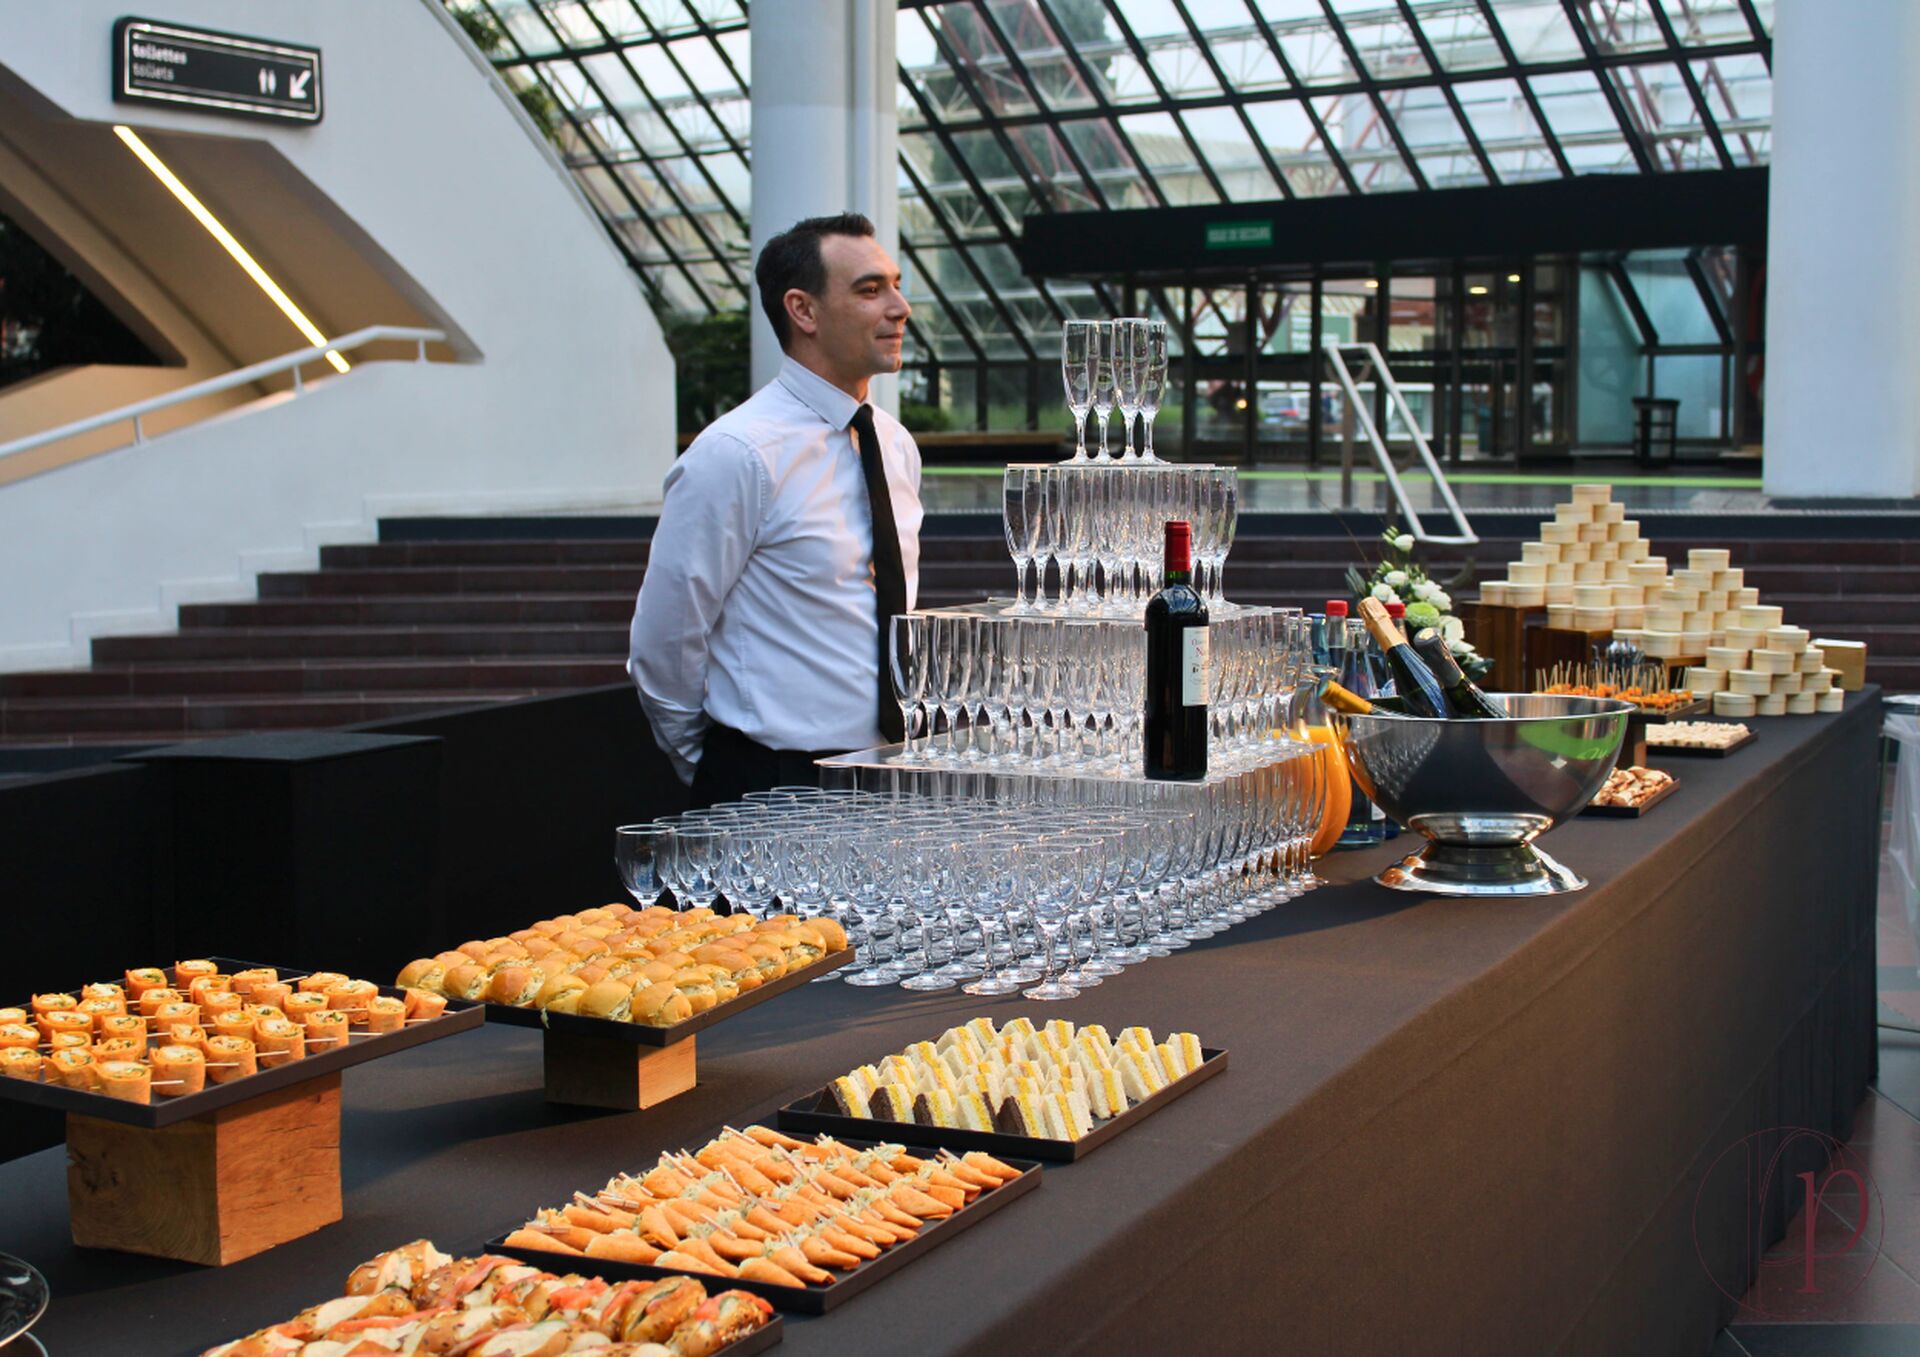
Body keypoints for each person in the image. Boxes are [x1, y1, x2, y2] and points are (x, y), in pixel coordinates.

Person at [628, 213, 922, 807]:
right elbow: (665, 642)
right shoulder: (736, 455)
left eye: (895, 285)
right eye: (870, 290)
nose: (900, 307)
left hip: (888, 776)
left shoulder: (894, 444)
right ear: (803, 310)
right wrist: (721, 767)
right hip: (772, 783)